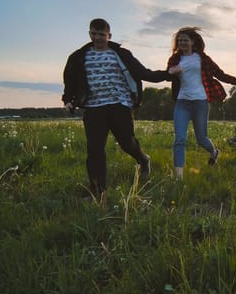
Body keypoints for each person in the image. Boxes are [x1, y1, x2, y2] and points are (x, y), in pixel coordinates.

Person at [62, 18, 170, 200]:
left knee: (127, 143)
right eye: (94, 34)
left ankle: (142, 159)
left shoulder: (121, 54)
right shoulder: (79, 56)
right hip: (94, 107)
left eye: (101, 34)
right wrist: (68, 100)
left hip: (120, 105)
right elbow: (70, 80)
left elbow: (143, 73)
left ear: (109, 35)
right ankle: (98, 191)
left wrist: (169, 74)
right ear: (89, 34)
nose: (97, 37)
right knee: (95, 150)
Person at [166, 27, 236, 179]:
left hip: (200, 102)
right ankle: (179, 177)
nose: (182, 43)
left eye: (185, 40)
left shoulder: (202, 58)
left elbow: (219, 74)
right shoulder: (175, 59)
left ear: (193, 42)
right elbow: (168, 73)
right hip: (182, 102)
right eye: (179, 40)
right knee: (180, 139)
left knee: (201, 139)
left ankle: (214, 152)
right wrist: (171, 72)